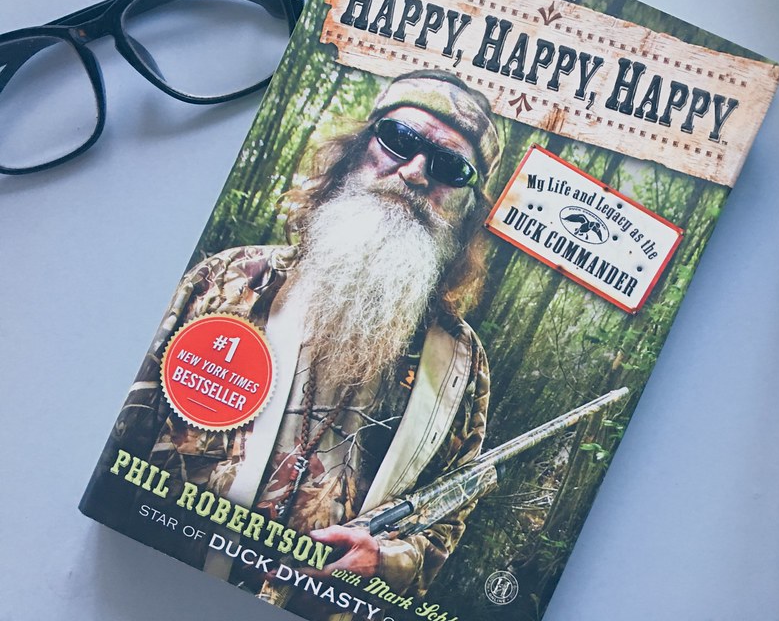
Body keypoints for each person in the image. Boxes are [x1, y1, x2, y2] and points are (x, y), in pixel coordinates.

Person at [90, 69, 501, 600]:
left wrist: (388, 560)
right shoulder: (230, 280)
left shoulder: (462, 367)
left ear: (467, 211)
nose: (415, 171)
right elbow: (123, 436)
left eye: (450, 167)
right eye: (399, 139)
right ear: (356, 151)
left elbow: (445, 522)